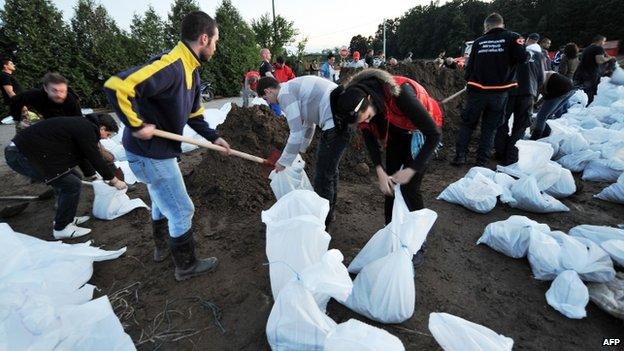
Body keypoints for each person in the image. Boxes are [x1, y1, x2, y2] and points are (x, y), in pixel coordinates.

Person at [104, 11, 232, 282]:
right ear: (204, 38)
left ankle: (162, 248)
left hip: (157, 153)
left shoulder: (192, 72)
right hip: (149, 155)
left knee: (163, 201)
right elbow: (117, 86)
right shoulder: (171, 65)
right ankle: (185, 265)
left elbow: (195, 114)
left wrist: (214, 137)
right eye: (216, 41)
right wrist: (137, 125)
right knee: (182, 209)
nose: (216, 47)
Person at [335, 69, 442, 224]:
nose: (365, 123)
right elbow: (369, 137)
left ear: (370, 99)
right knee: (390, 184)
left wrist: (411, 170)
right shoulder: (360, 100)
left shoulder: (400, 94)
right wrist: (380, 171)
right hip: (396, 132)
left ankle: (418, 234)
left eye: (367, 118)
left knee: (409, 188)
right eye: (361, 122)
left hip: (421, 133)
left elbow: (434, 135)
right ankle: (390, 228)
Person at [4, 114, 126, 239]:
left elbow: (82, 156)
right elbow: (94, 156)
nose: (107, 138)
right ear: (102, 128)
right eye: (108, 134)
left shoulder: (83, 125)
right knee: (71, 185)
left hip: (32, 153)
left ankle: (67, 217)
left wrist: (94, 176)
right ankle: (61, 228)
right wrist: (114, 180)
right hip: (23, 156)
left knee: (74, 177)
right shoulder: (87, 129)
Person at [257, 75, 350, 225]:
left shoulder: (285, 94)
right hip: (340, 120)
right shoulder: (291, 88)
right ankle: (329, 212)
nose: (268, 102)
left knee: (323, 177)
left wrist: (284, 162)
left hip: (335, 122)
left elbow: (296, 132)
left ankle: (323, 221)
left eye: (266, 99)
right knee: (330, 170)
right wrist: (301, 150)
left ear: (267, 91)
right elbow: (309, 123)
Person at [452, 13, 528, 167]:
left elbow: (469, 67)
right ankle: (482, 161)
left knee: (468, 124)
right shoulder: (515, 37)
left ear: (486, 26)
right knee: (490, 128)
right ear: (502, 24)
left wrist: (470, 81)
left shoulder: (478, 42)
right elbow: (524, 58)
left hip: (476, 92)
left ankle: (460, 156)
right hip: (499, 93)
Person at [494, 40, 544, 165]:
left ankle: (500, 151)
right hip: (528, 93)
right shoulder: (538, 56)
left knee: (502, 122)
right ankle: (511, 157)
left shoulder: (507, 53)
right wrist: (535, 93)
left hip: (508, 92)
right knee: (520, 126)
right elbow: (541, 78)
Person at [10, 72, 82, 125]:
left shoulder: (71, 99)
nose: (59, 95)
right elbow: (15, 100)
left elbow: (80, 121)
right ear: (46, 88)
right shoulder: (35, 95)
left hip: (68, 124)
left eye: (63, 91)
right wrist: (18, 119)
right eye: (54, 90)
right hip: (49, 122)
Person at [530, 72, 576, 140]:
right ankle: (545, 134)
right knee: (546, 115)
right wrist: (536, 105)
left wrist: (533, 106)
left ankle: (535, 138)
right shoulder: (541, 76)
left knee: (541, 116)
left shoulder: (535, 81)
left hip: (560, 90)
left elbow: (537, 96)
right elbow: (545, 96)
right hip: (569, 88)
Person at [574, 35, 616, 105]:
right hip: (590, 74)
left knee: (582, 93)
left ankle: (580, 108)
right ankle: (587, 109)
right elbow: (599, 60)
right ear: (600, 41)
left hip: (580, 73)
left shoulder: (587, 49)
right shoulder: (598, 48)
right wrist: (610, 58)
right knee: (590, 93)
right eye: (604, 41)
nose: (604, 43)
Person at [0, 59, 34, 132]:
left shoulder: (7, 75)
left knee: (23, 126)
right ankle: (22, 142)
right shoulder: (4, 76)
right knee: (24, 126)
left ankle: (22, 141)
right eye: (11, 64)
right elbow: (9, 91)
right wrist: (19, 103)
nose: (14, 65)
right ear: (5, 66)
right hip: (17, 103)